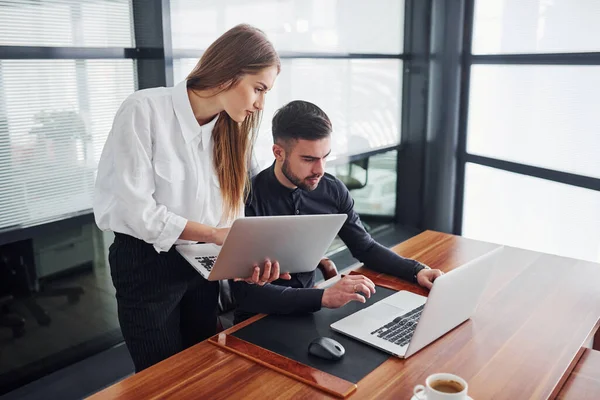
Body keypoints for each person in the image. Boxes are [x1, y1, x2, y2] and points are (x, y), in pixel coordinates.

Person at [93, 24, 288, 372]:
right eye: (258, 89)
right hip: (146, 264)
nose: (260, 104)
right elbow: (136, 210)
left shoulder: (231, 131)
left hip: (202, 265)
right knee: (160, 376)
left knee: (201, 367)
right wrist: (214, 235)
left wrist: (244, 261)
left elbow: (230, 217)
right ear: (230, 71)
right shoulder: (144, 109)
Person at [231, 100, 443, 323]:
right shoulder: (246, 200)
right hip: (257, 320)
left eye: (325, 157)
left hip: (310, 312)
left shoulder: (332, 189)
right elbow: (246, 294)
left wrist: (416, 271)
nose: (320, 170)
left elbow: (365, 247)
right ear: (278, 152)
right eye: (309, 159)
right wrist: (322, 296)